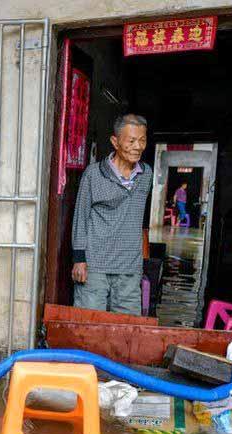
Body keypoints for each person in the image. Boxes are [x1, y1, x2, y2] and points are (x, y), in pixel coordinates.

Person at [71, 114, 153, 315]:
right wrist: (78, 259)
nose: (138, 146)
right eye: (131, 141)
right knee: (89, 326)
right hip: (94, 265)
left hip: (129, 267)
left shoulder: (146, 174)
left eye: (142, 141)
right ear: (115, 142)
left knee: (126, 331)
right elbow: (80, 218)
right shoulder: (93, 174)